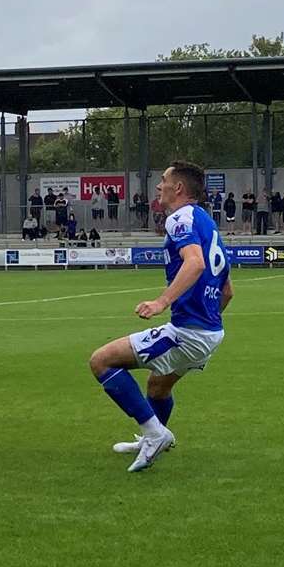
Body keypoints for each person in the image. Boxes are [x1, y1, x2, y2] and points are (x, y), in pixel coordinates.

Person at [89, 161, 233, 473]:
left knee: (101, 361)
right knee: (158, 387)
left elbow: (194, 263)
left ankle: (155, 434)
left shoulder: (179, 218)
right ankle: (151, 437)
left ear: (178, 188)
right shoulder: (207, 223)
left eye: (163, 180)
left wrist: (162, 302)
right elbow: (228, 291)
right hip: (210, 332)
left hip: (189, 333)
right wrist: (205, 324)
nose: (158, 186)